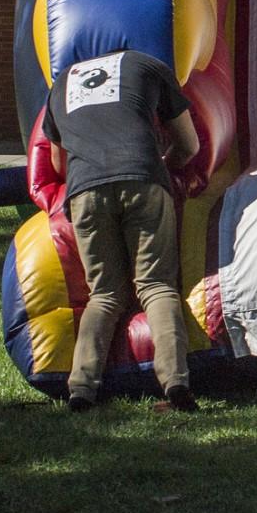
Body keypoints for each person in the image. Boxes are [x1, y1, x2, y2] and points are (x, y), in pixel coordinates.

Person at [42, 49, 201, 413]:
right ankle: (176, 383)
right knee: (156, 286)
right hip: (143, 178)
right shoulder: (149, 63)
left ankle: (81, 388)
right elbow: (189, 144)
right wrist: (165, 166)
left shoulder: (61, 81)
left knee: (104, 295)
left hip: (84, 190)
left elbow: (57, 161)